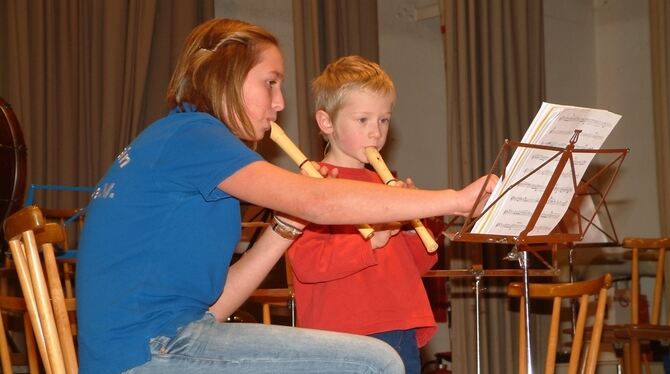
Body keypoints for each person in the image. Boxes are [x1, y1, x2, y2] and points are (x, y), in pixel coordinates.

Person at [76, 18, 497, 374]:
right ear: (226, 75)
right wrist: (457, 199)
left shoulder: (177, 139)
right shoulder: (196, 136)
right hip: (149, 351)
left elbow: (214, 307)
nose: (279, 103)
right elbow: (318, 201)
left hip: (152, 343)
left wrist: (282, 229)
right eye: (270, 83)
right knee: (378, 363)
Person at [287, 55, 438, 374]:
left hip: (400, 325)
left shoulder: (383, 184)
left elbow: (420, 264)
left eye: (383, 120)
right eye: (363, 120)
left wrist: (411, 227)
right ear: (326, 123)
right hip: (346, 333)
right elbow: (308, 263)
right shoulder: (313, 185)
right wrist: (373, 239)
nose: (376, 133)